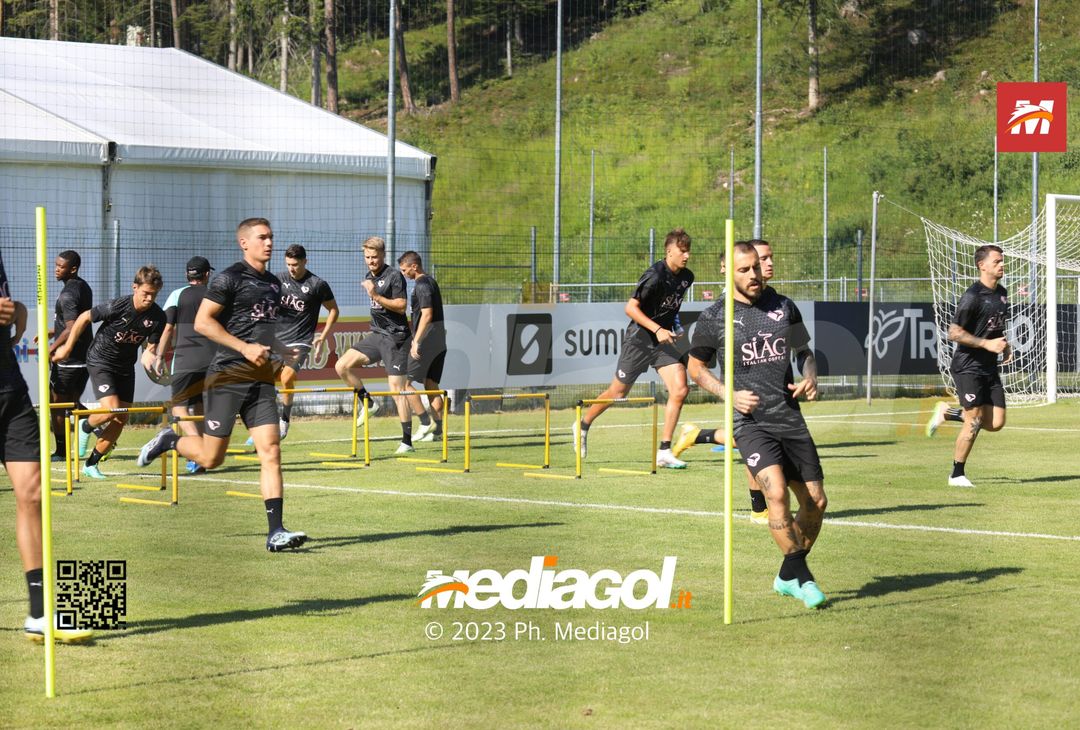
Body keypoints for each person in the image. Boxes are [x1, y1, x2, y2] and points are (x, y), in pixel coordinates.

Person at [136, 218, 307, 552]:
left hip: (259, 379)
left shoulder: (274, 283)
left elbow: (264, 330)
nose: (269, 242)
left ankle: (276, 532)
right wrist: (243, 348)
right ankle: (171, 440)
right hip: (227, 376)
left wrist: (284, 350)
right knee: (213, 458)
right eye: (262, 237)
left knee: (271, 449)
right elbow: (202, 322)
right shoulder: (229, 278)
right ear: (244, 243)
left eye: (271, 236)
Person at [687, 241, 827, 609]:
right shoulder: (714, 317)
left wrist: (810, 377)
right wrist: (728, 393)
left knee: (816, 503)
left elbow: (805, 353)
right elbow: (695, 368)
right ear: (726, 272)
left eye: (756, 266)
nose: (753, 274)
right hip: (750, 423)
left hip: (790, 418)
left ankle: (787, 575)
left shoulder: (783, 306)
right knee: (776, 494)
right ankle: (805, 579)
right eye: (744, 269)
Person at [0, 251, 93, 642]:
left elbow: (12, 308)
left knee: (33, 494)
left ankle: (39, 614)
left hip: (10, 391)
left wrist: (17, 315)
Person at [574, 228, 694, 469]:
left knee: (680, 389)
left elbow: (673, 307)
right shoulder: (655, 275)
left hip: (663, 343)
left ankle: (664, 451)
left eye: (689, 251)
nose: (687, 255)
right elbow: (631, 308)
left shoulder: (687, 277)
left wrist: (675, 326)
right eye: (682, 251)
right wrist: (657, 329)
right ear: (669, 251)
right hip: (639, 340)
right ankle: (583, 424)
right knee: (618, 394)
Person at [676, 239, 775, 523]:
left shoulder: (773, 300)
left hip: (769, 389)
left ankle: (697, 435)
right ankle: (759, 507)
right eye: (759, 260)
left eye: (767, 260)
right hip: (743, 384)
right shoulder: (725, 309)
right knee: (752, 441)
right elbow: (698, 366)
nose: (767, 265)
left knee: (756, 440)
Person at [53, 266, 166, 480]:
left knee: (121, 417)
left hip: (125, 367)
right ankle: (86, 426)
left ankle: (91, 464)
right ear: (135, 288)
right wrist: (67, 348)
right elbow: (85, 317)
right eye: (146, 293)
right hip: (100, 360)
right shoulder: (119, 305)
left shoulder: (158, 316)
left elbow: (151, 347)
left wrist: (151, 356)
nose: (149, 298)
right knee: (112, 409)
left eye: (154, 294)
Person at [934, 244, 1009, 488]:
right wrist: (986, 345)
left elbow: (995, 328)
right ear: (982, 265)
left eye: (1002, 261)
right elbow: (953, 332)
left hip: (989, 368)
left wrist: (1004, 345)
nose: (1001, 265)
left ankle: (948, 412)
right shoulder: (972, 296)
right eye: (997, 261)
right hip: (968, 366)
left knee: (996, 423)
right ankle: (956, 474)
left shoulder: (1002, 293)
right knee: (975, 420)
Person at [334, 236, 415, 454]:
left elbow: (401, 306)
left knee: (397, 390)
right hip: (377, 335)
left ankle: (407, 441)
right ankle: (368, 403)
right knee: (341, 366)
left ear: (383, 255)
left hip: (396, 338)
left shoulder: (394, 276)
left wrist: (375, 295)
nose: (371, 261)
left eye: (374, 257)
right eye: (367, 257)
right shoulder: (369, 275)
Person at [273, 244, 339, 440]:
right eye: (288, 264)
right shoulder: (278, 280)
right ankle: (265, 422)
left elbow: (334, 310)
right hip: (276, 340)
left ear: (304, 262)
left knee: (287, 378)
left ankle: (284, 419)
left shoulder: (317, 284)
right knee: (262, 380)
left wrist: (323, 336)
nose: (291, 268)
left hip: (300, 340)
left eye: (295, 264)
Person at [157, 256, 216, 474]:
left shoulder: (176, 295)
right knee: (200, 407)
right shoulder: (215, 295)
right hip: (212, 362)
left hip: (184, 361)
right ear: (207, 274)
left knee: (179, 407)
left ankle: (196, 448)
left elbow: (167, 328)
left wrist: (159, 355)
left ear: (187, 275)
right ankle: (202, 455)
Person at [46, 250, 93, 463]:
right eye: (55, 265)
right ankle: (100, 425)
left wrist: (52, 348)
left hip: (69, 359)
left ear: (72, 269)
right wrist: (51, 333)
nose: (56, 269)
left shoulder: (68, 293)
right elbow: (75, 322)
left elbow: (72, 327)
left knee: (56, 404)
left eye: (61, 266)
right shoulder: (83, 286)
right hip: (83, 356)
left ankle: (61, 452)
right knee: (72, 403)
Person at [397, 250, 445, 442]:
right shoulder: (431, 281)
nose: (403, 273)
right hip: (440, 341)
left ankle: (425, 423)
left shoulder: (422, 285)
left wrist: (416, 341)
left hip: (426, 342)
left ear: (414, 266)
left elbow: (427, 315)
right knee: (431, 385)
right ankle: (438, 432)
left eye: (404, 269)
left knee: (404, 384)